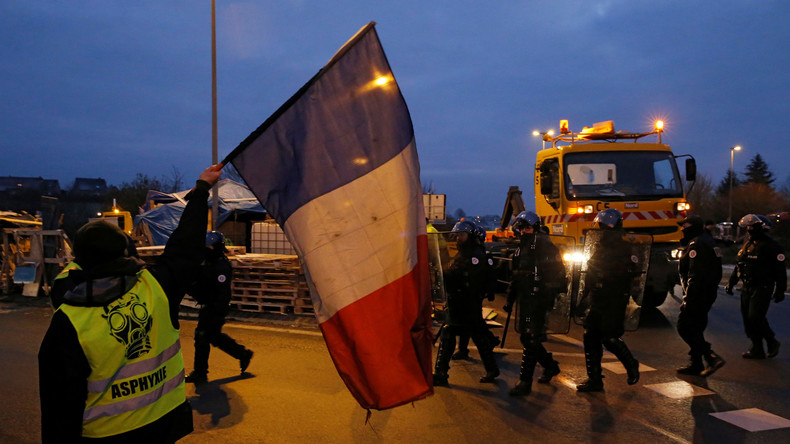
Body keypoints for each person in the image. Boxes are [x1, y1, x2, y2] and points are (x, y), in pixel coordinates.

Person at [38, 164, 222, 443]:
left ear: (80, 260)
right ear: (126, 252)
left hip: (109, 434)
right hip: (163, 423)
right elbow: (186, 245)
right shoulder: (155, 287)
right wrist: (201, 190)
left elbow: (58, 404)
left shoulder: (69, 318)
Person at [576, 208, 641, 392]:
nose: (600, 229)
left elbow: (633, 274)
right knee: (590, 336)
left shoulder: (624, 248)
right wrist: (584, 298)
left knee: (609, 337)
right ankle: (595, 379)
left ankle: (631, 364)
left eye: (602, 225)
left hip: (614, 298)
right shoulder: (599, 247)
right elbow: (591, 273)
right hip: (598, 297)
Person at [503, 211, 565, 396]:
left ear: (536, 228)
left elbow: (557, 272)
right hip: (526, 299)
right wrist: (510, 298)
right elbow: (517, 276)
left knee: (530, 337)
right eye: (521, 228)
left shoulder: (545, 246)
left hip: (539, 299)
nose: (524, 231)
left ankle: (525, 382)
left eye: (527, 227)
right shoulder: (520, 250)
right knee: (526, 337)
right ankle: (550, 365)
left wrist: (548, 291)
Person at [433, 220, 499, 386]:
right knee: (466, 334)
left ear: (471, 236)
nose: (458, 238)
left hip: (467, 302)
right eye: (457, 235)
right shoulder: (464, 253)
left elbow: (466, 277)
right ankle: (491, 369)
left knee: (458, 334)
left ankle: (442, 373)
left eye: (461, 235)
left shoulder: (476, 255)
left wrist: (448, 274)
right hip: (459, 301)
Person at [185, 231, 254, 383]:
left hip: (215, 307)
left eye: (208, 247)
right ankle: (242, 354)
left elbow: (218, 291)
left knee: (202, 336)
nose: (206, 250)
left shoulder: (221, 266)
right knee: (213, 337)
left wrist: (214, 310)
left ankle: (200, 373)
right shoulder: (211, 261)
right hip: (210, 305)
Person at [725, 214, 786, 359]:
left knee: (755, 316)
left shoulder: (772, 246)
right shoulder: (748, 244)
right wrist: (731, 283)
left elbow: (780, 271)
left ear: (761, 228)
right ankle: (756, 348)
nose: (750, 229)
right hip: (747, 286)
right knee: (747, 319)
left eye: (753, 227)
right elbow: (739, 265)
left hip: (763, 286)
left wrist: (780, 290)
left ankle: (771, 341)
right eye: (748, 227)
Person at [675, 215, 726, 376]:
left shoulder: (697, 244)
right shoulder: (708, 241)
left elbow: (695, 275)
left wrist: (689, 298)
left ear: (694, 227)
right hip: (707, 292)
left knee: (684, 327)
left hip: (697, 294)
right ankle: (696, 364)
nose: (682, 229)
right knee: (696, 328)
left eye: (685, 226)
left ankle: (711, 356)